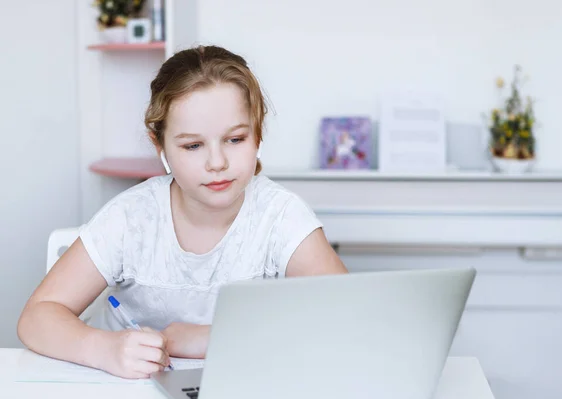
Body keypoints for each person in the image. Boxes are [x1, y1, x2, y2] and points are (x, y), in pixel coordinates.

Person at [17, 45, 348, 380]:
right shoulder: (132, 218)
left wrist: (211, 337)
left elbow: (346, 316)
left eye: (235, 139)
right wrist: (105, 349)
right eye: (193, 146)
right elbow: (36, 318)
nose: (217, 162)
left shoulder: (280, 216)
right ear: (159, 145)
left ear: (257, 133)